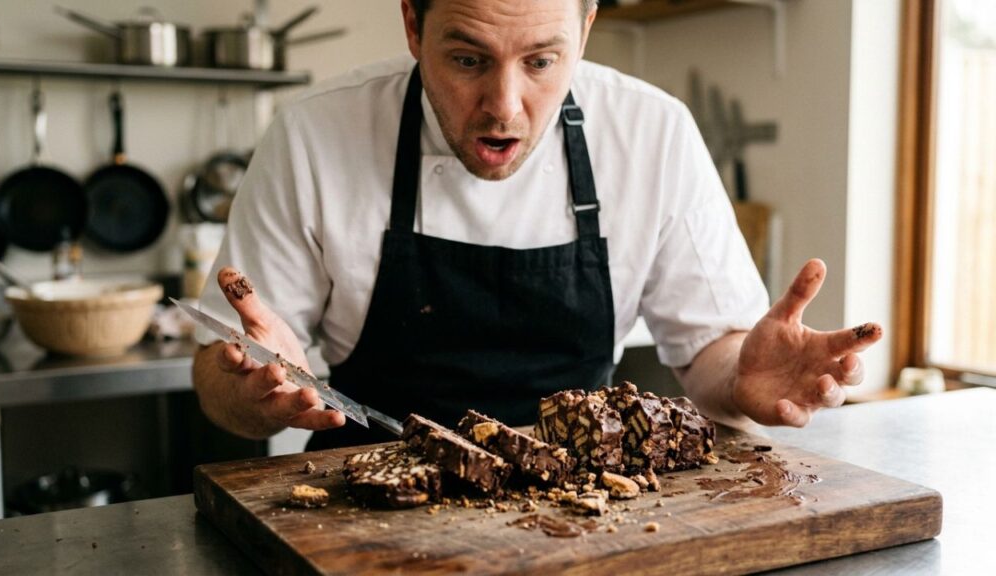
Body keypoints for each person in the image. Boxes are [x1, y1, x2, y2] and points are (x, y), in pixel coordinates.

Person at [192, 0, 882, 450]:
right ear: (412, 24)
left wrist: (742, 383)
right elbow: (223, 378)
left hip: (586, 506)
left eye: (542, 62)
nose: (505, 107)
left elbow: (711, 353)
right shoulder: (314, 137)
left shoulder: (652, 134)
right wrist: (252, 395)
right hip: (367, 508)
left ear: (584, 29)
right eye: (467, 60)